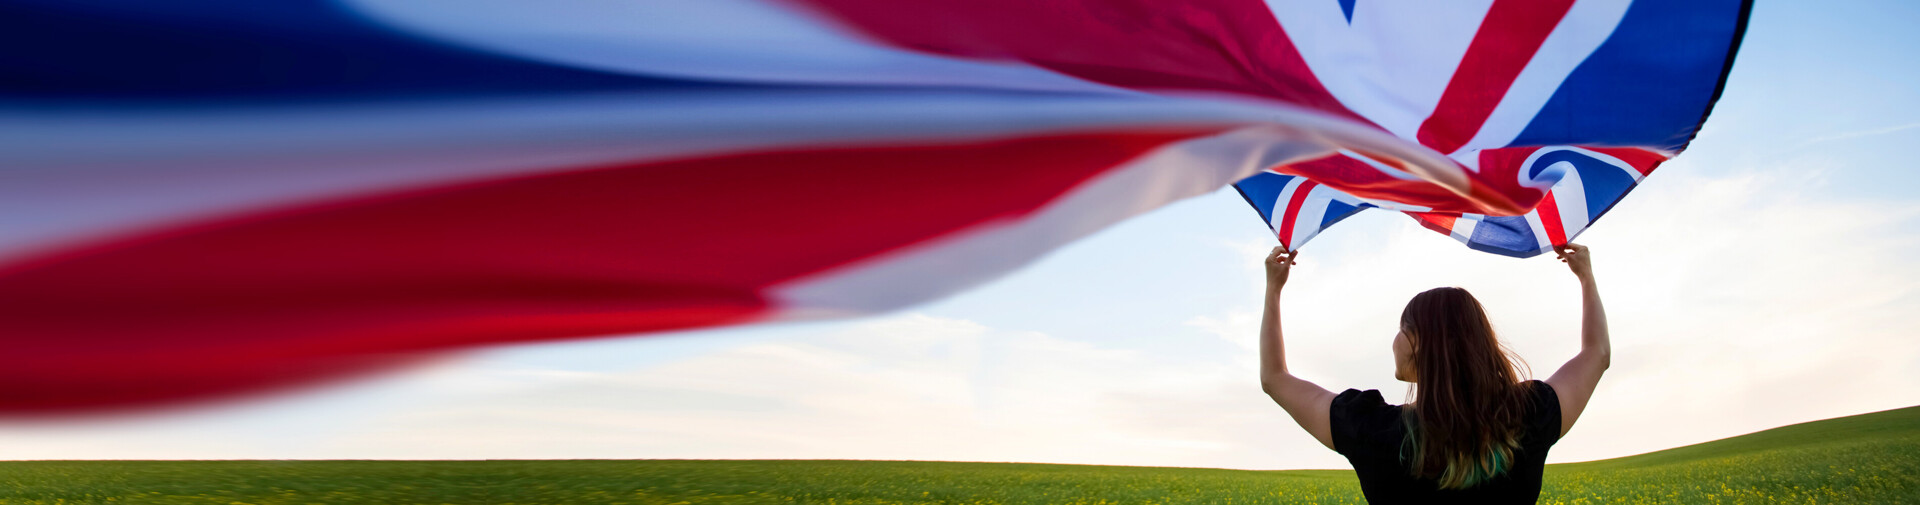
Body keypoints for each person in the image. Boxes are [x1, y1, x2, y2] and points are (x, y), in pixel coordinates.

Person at [1258, 243, 1609, 504]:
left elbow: (1275, 378)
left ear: (1418, 343)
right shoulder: (1530, 414)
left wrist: (1273, 289)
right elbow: (1597, 354)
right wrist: (1586, 276)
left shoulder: (1370, 428)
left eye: (1400, 328)